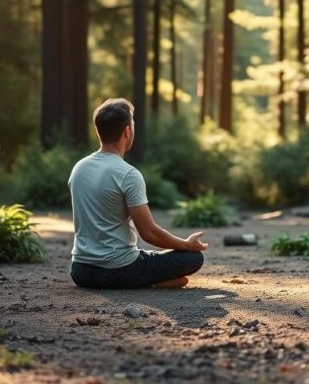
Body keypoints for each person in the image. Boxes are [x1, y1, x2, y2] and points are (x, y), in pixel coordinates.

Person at [69, 98, 207, 289]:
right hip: (118, 271)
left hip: (81, 271)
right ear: (127, 131)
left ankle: (150, 279)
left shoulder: (79, 168)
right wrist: (187, 245)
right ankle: (151, 282)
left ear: (98, 130)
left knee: (145, 256)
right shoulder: (128, 174)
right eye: (132, 125)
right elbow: (149, 233)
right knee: (193, 258)